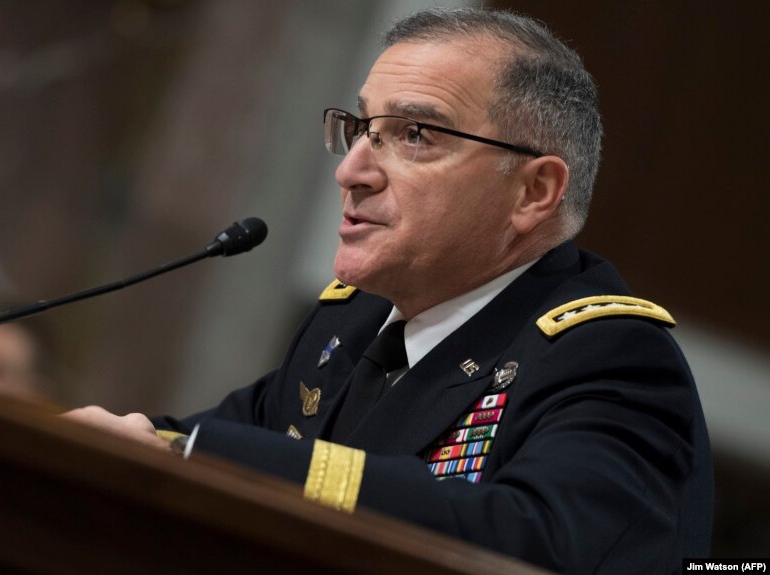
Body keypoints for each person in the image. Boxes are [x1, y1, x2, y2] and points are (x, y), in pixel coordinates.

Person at [66, 7, 712, 573]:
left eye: (414, 135)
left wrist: (191, 453)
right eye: (360, 127)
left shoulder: (607, 355)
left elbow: (534, 539)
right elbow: (211, 436)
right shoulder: (351, 324)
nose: (351, 170)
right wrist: (114, 440)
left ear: (532, 191)